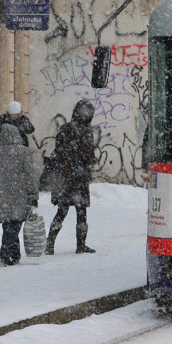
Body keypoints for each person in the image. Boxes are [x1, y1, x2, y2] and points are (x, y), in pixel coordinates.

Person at [0, 123, 38, 266]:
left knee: (8, 225)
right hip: (20, 195)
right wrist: (33, 195)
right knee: (15, 225)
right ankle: (6, 255)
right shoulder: (24, 152)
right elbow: (31, 175)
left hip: (0, 196)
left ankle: (14, 254)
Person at [47, 100, 98, 254]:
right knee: (81, 212)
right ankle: (80, 245)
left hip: (64, 177)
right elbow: (87, 155)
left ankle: (50, 244)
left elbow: (57, 151)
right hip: (79, 178)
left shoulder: (64, 129)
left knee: (61, 211)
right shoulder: (86, 132)